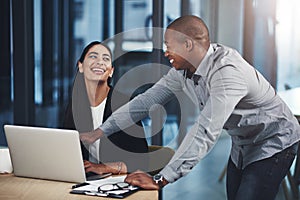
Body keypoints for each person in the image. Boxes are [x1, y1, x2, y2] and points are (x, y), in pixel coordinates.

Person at [80, 16, 300, 199]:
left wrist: (161, 179)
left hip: (274, 141)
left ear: (187, 45)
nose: (165, 51)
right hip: (243, 144)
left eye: (169, 45)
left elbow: (204, 131)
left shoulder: (226, 73)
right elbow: (145, 102)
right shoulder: (183, 71)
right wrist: (100, 132)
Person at [63, 41, 148, 176]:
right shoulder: (75, 105)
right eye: (93, 56)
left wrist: (104, 167)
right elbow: (67, 150)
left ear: (111, 71)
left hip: (116, 182)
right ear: (81, 66)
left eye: (106, 59)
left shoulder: (125, 105)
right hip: (84, 180)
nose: (100, 62)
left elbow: (143, 161)